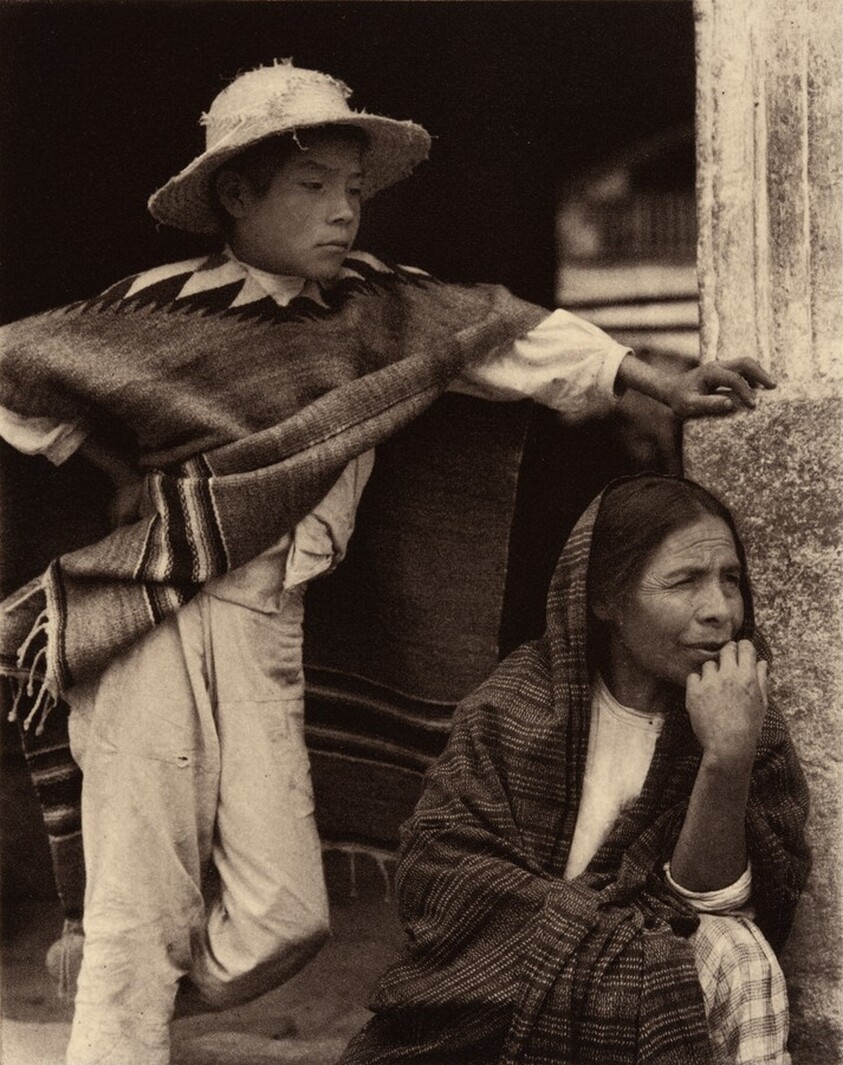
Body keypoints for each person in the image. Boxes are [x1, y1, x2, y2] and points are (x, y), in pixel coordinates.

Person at [0, 62, 776, 1065]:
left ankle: (84, 1007)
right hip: (151, 611)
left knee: (283, 916)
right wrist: (124, 471)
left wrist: (653, 378)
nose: (342, 212)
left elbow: (512, 336)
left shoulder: (380, 310)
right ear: (236, 193)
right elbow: (20, 374)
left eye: (353, 191)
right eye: (312, 186)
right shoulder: (159, 307)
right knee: (141, 909)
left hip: (266, 618)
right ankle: (112, 1010)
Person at [340, 473, 810, 1065]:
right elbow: (439, 878)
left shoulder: (747, 720)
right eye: (685, 581)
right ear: (604, 598)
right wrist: (609, 947)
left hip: (651, 985)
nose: (720, 611)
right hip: (498, 1000)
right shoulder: (513, 708)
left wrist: (726, 757)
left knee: (739, 957)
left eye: (731, 581)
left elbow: (712, 909)